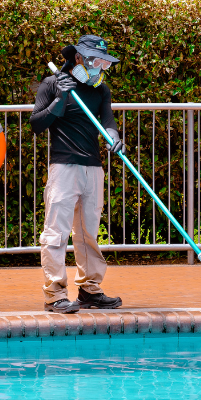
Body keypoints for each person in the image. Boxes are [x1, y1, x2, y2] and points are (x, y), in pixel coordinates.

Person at [30, 35, 126, 313]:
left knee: (89, 234)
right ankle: (55, 294)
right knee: (57, 232)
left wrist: (113, 137)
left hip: (93, 168)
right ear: (78, 58)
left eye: (103, 63)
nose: (99, 67)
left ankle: (89, 290)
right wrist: (59, 100)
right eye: (95, 60)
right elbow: (36, 124)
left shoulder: (100, 90)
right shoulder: (53, 84)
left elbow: (107, 121)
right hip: (64, 167)